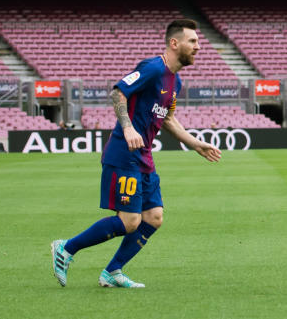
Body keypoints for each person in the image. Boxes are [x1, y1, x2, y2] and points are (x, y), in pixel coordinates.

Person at [50, 18, 221, 289]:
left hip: (144, 157)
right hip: (124, 153)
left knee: (154, 217)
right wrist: (127, 128)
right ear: (174, 43)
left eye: (198, 41)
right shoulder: (153, 68)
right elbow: (118, 93)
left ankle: (112, 272)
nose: (198, 47)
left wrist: (196, 143)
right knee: (130, 221)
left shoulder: (175, 83)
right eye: (193, 41)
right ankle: (66, 248)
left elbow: (168, 119)